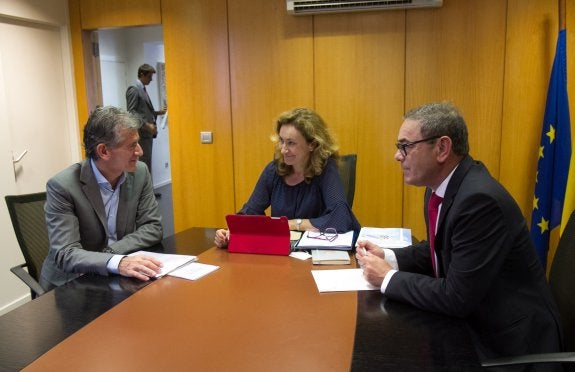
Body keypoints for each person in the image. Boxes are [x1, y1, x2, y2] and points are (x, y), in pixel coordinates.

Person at [356, 102, 563, 364]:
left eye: (405, 146)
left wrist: (388, 277)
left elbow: (456, 297)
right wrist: (388, 255)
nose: (398, 156)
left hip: (509, 345)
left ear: (442, 148)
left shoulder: (479, 200)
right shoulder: (441, 188)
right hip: (474, 322)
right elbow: (441, 248)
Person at [40, 106, 164, 290]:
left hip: (115, 277)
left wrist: (112, 255)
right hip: (70, 284)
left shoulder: (139, 173)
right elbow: (66, 253)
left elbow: (153, 227)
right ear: (104, 151)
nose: (140, 152)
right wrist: (117, 262)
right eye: (131, 146)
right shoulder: (62, 186)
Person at [215, 107, 360, 248]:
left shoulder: (327, 169)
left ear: (312, 144)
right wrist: (231, 232)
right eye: (281, 141)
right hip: (284, 253)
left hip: (318, 254)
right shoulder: (273, 171)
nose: (283, 149)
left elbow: (340, 218)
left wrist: (292, 224)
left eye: (291, 143)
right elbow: (250, 212)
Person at [125, 63, 166, 174]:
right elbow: (131, 112)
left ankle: (149, 189)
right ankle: (145, 190)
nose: (151, 80)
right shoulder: (134, 89)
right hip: (142, 132)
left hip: (147, 134)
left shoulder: (142, 89)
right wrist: (147, 125)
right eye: (149, 77)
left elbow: (143, 110)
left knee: (147, 161)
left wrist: (157, 112)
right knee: (143, 162)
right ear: (142, 74)